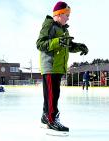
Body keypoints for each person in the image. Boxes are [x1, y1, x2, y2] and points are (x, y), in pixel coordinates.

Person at [36, 1, 88, 133]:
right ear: (58, 14)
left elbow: (67, 46)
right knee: (52, 95)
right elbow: (40, 44)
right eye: (66, 14)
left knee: (52, 95)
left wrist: (78, 46)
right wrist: (58, 41)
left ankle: (45, 117)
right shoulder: (49, 26)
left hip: (58, 67)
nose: (68, 17)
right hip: (50, 66)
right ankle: (52, 120)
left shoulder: (64, 30)